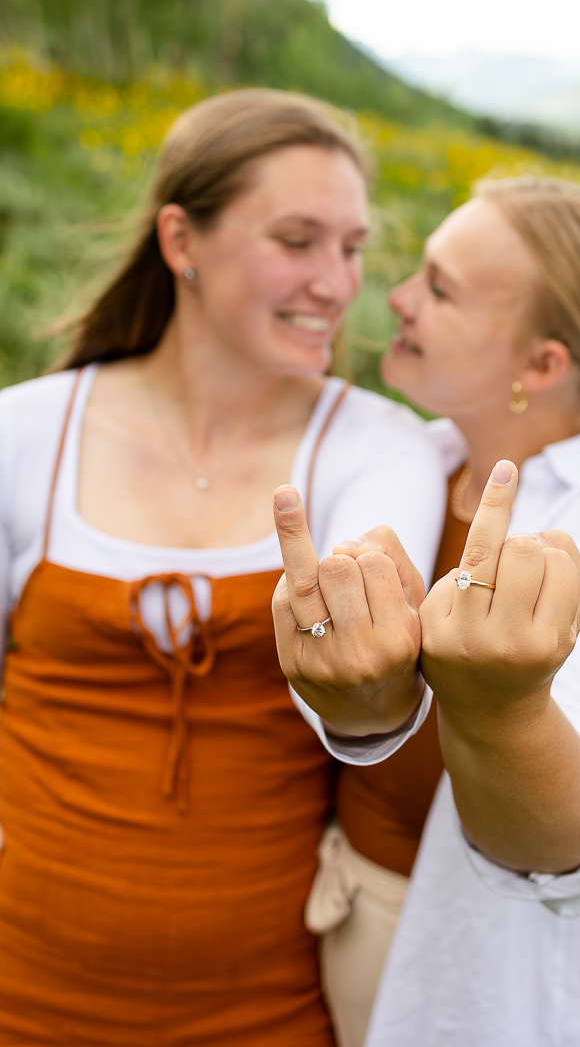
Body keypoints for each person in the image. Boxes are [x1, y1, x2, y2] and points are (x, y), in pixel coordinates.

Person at [0, 89, 446, 1046]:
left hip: (269, 1006)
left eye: (353, 247)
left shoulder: (376, 450)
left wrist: (366, 687)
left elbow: (368, 699)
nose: (337, 282)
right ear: (180, 240)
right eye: (298, 240)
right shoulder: (26, 432)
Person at [272, 176, 580, 1047]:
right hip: (334, 927)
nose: (397, 298)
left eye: (439, 288)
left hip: (503, 999)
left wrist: (505, 704)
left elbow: (577, 838)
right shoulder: (413, 456)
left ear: (540, 366)